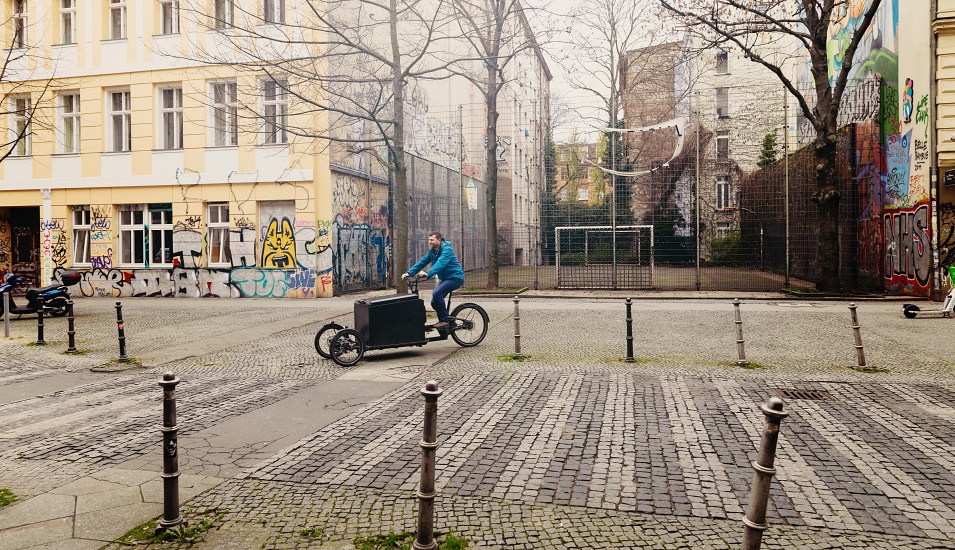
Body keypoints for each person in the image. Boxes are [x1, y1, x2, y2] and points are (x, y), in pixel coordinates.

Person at [402, 231, 464, 329]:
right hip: (446, 279)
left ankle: (444, 321)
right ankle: (447, 321)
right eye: (429, 240)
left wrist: (428, 273)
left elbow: (441, 263)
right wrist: (409, 273)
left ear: (439, 239)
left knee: (437, 293)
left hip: (455, 278)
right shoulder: (433, 251)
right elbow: (422, 262)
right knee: (434, 302)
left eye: (432, 240)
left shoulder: (447, 250)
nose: (430, 242)